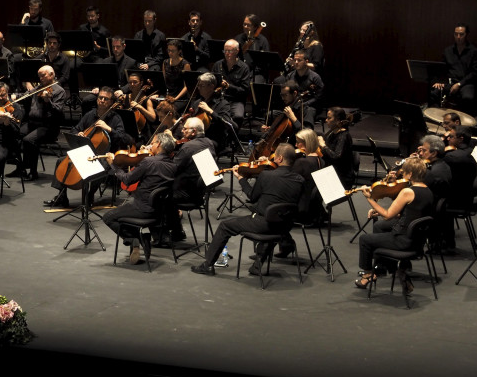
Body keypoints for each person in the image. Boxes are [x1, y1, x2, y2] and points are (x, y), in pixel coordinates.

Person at [191, 143, 304, 277]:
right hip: (285, 226)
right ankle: (257, 265)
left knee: (225, 226)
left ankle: (207, 265)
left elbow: (252, 196)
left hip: (265, 224)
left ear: (279, 159)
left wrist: (241, 178)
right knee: (272, 219)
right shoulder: (300, 180)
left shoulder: (267, 176)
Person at [355, 158, 434, 291]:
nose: (402, 175)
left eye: (404, 172)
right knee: (380, 228)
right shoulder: (428, 191)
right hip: (417, 241)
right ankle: (395, 270)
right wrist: (378, 211)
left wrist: (369, 198)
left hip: (403, 240)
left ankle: (368, 275)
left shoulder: (407, 192)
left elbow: (388, 215)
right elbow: (407, 213)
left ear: (410, 174)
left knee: (365, 240)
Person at [100, 130, 178, 264]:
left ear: (158, 144)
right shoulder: (173, 165)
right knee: (124, 209)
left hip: (142, 209)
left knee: (108, 217)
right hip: (159, 213)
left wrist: (113, 164)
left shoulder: (149, 162)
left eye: (153, 143)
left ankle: (137, 238)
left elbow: (126, 180)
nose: (150, 145)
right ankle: (138, 238)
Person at [44, 86, 126, 208]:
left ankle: (90, 194)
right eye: (100, 98)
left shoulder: (115, 118)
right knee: (61, 160)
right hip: (86, 151)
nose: (102, 100)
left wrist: (108, 128)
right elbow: (75, 129)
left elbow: (122, 137)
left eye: (106, 99)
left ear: (111, 102)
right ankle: (62, 196)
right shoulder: (90, 114)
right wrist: (78, 133)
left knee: (100, 165)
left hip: (106, 154)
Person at [14, 65, 65, 181]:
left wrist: (48, 101)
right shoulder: (38, 88)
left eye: (43, 75)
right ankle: (20, 168)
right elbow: (26, 95)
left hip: (48, 126)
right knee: (15, 132)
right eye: (39, 76)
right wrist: (13, 96)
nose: (40, 78)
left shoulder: (59, 91)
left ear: (52, 75)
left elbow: (57, 111)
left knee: (29, 140)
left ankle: (32, 171)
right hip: (33, 123)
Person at [432, 24, 477, 112]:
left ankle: (460, 122)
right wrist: (440, 80)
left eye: (461, 34)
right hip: (450, 81)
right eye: (456, 34)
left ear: (466, 35)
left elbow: (475, 72)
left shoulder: (474, 51)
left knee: (468, 97)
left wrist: (459, 84)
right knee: (434, 92)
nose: (458, 37)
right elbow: (443, 68)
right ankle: (438, 117)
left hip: (466, 83)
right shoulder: (448, 50)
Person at [278, 49, 324, 123]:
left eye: (299, 60)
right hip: (293, 106)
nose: (296, 62)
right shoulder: (290, 76)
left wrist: (304, 104)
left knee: (309, 111)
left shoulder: (315, 77)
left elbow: (319, 97)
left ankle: (306, 132)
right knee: (272, 114)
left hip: (309, 107)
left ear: (306, 62)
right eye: (295, 60)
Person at [212, 39, 250, 127]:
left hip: (235, 100)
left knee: (238, 116)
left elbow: (245, 91)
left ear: (237, 51)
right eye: (225, 51)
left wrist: (229, 87)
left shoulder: (244, 68)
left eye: (230, 51)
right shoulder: (218, 65)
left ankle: (233, 138)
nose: (227, 53)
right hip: (219, 98)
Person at [318, 107, 353, 185]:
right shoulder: (333, 133)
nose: (326, 120)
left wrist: (323, 146)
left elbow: (336, 157)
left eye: (329, 118)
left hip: (340, 176)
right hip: (332, 170)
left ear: (337, 120)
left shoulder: (343, 136)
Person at [161, 39, 192, 112]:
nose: (170, 53)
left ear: (179, 51)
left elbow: (187, 86)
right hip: (168, 95)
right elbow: (164, 82)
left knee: (168, 110)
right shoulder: (165, 62)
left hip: (181, 98)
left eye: (173, 51)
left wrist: (175, 98)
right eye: (169, 50)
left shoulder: (185, 64)